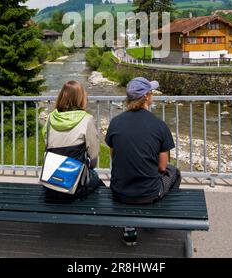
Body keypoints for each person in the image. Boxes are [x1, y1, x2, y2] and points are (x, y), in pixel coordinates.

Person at [105, 77, 181, 246]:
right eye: (151, 92)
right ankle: (155, 218)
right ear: (147, 97)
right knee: (174, 172)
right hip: (149, 193)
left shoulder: (115, 123)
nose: (152, 95)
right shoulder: (159, 125)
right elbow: (162, 166)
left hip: (120, 191)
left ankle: (129, 227)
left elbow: (114, 156)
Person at [42, 80, 104, 200]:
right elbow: (94, 156)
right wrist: (90, 166)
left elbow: (47, 144)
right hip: (74, 185)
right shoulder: (86, 120)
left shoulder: (49, 118)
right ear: (81, 98)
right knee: (95, 177)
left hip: (51, 182)